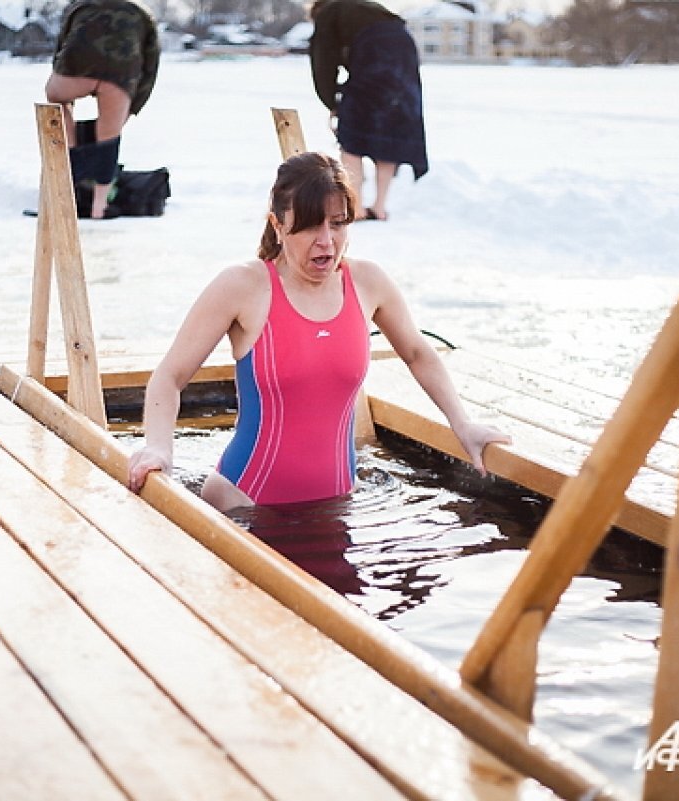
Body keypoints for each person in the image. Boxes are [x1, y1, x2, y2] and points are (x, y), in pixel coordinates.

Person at [127, 152, 509, 512]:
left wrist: (462, 423)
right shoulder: (243, 286)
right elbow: (170, 377)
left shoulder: (368, 282)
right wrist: (159, 448)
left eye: (338, 223)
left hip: (337, 508)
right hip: (245, 508)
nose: (326, 241)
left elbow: (417, 352)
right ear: (278, 225)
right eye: (310, 226)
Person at [307, 0, 428, 222]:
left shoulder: (328, 13)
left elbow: (323, 62)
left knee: (352, 134)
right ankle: (380, 206)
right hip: (404, 51)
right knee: (391, 128)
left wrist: (333, 103)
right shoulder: (365, 8)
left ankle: (358, 206)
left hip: (374, 54)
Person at [45, 0, 160, 219]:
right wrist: (132, 107)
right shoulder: (143, 13)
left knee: (56, 99)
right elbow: (150, 65)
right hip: (122, 73)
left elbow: (62, 46)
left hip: (77, 64)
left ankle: (69, 158)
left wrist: (62, 71)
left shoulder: (81, 6)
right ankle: (99, 207)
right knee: (109, 137)